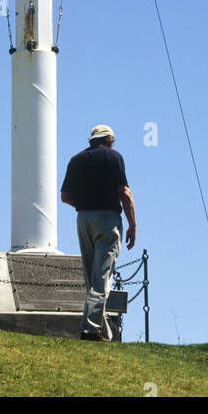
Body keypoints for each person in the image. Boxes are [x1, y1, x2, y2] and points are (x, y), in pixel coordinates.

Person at [60, 124, 137, 342]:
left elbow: (65, 196)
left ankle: (103, 331)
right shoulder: (114, 157)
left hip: (83, 218)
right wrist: (133, 224)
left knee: (91, 277)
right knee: (102, 278)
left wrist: (85, 204)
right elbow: (125, 193)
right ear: (110, 139)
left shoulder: (76, 160)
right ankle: (90, 330)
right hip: (107, 219)